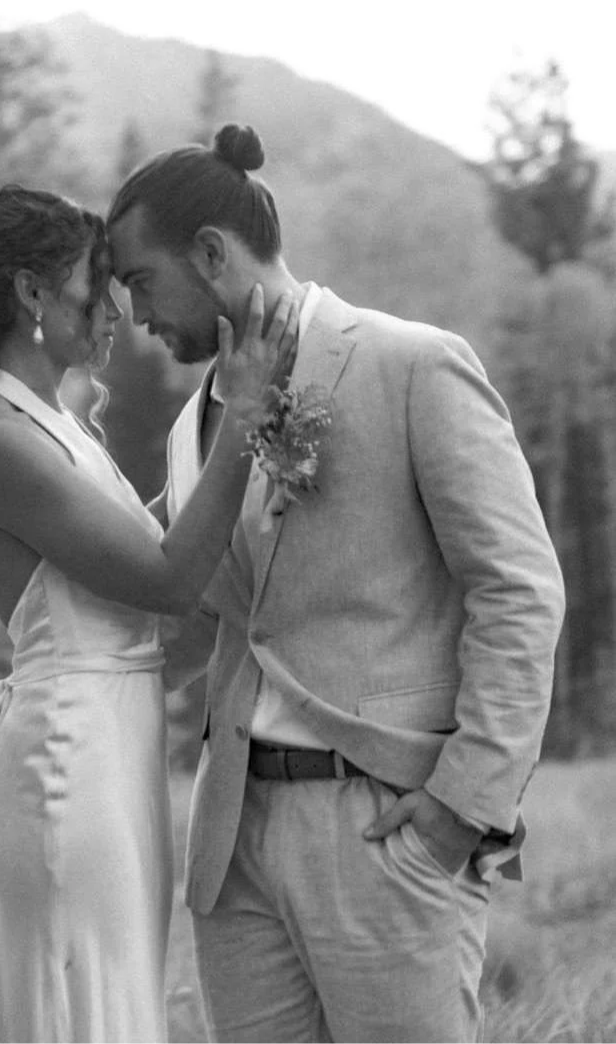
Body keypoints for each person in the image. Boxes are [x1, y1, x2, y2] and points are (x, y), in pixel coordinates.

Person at [107, 124, 566, 1043]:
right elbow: (205, 622)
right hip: (232, 840)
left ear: (210, 254)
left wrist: (461, 808)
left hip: (384, 831)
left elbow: (518, 590)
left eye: (141, 281)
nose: (137, 316)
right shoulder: (190, 427)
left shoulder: (413, 366)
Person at [0, 183, 297, 1043]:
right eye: (98, 283)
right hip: (64, 771)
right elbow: (166, 578)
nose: (117, 309)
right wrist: (246, 410)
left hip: (108, 757)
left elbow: (138, 546)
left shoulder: (52, 428)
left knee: (113, 1010)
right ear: (33, 294)